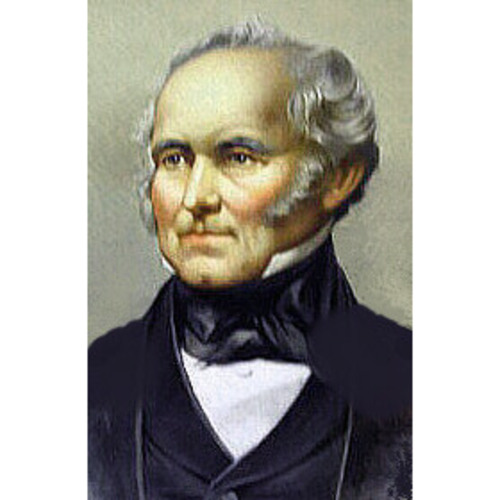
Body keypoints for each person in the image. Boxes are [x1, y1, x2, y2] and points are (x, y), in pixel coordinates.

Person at [89, 20, 412, 500]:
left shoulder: (415, 383)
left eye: (238, 157)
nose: (195, 198)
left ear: (337, 177)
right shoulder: (91, 382)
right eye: (174, 159)